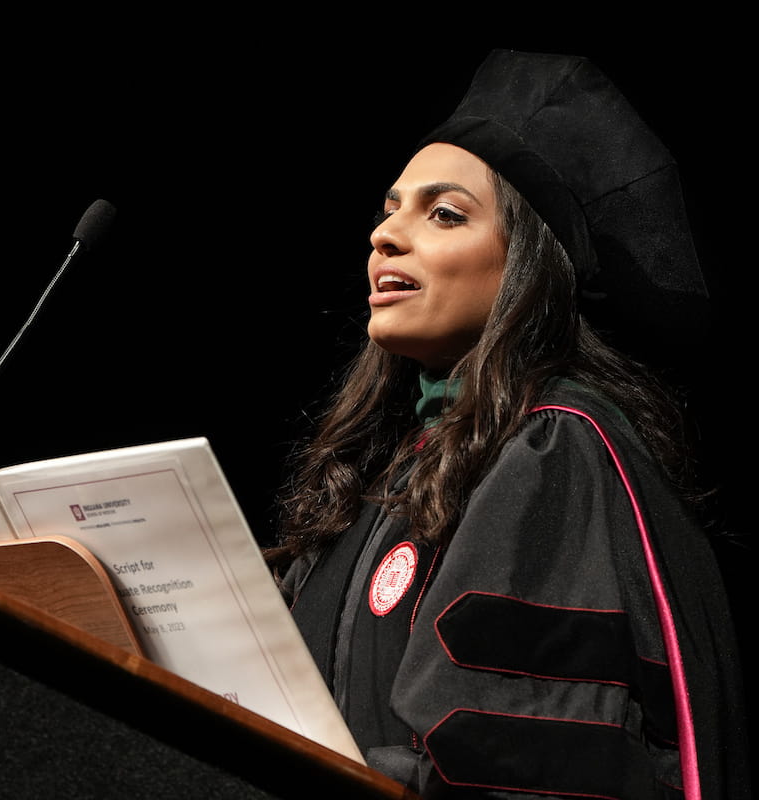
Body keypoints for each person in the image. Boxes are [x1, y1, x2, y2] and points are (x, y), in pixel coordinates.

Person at [267, 50, 751, 799]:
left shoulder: (554, 449)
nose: (385, 237)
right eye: (388, 209)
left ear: (528, 264)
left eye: (444, 213)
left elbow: (518, 761)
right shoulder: (375, 481)